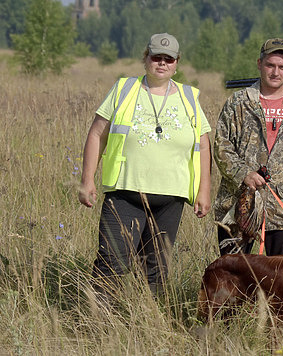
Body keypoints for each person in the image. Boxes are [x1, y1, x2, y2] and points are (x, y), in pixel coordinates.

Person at [79, 33, 211, 298]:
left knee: (157, 269)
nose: (162, 63)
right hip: (125, 194)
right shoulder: (124, 89)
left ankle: (145, 325)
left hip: (171, 199)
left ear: (176, 63)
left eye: (168, 59)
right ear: (146, 58)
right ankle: (98, 327)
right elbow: (96, 134)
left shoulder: (188, 97)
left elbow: (204, 145)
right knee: (112, 262)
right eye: (156, 57)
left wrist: (203, 190)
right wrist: (87, 180)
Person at [214, 38, 283, 256]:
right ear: (259, 64)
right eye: (270, 65)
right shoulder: (239, 102)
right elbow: (221, 146)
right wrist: (243, 174)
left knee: (281, 281)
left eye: (282, 67)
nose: (276, 72)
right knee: (233, 279)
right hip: (240, 203)